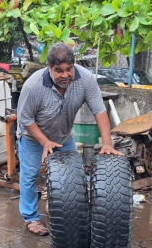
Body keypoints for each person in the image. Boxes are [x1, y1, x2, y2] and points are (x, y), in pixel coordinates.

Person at [16, 42, 122, 235]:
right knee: (30, 176)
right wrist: (44, 141)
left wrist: (107, 143)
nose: (65, 75)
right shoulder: (33, 85)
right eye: (59, 71)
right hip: (32, 137)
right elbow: (25, 119)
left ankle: (57, 207)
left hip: (64, 136)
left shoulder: (87, 80)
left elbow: (99, 110)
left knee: (71, 176)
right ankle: (31, 217)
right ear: (49, 68)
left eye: (69, 69)